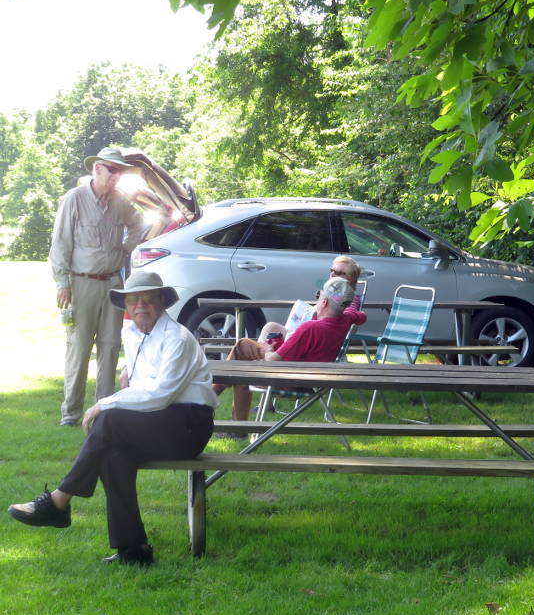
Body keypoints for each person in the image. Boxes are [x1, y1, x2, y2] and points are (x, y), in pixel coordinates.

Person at [8, 272, 217, 565]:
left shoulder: (177, 338)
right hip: (160, 421)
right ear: (127, 307)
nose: (141, 305)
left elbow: (160, 394)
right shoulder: (132, 334)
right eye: (134, 300)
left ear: (162, 302)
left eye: (148, 299)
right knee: (111, 452)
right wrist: (127, 377)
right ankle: (133, 550)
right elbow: (140, 385)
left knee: (108, 422)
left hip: (188, 426)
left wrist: (105, 403)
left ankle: (58, 500)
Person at [49, 147, 150, 427]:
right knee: (79, 348)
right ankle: (71, 414)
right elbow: (60, 242)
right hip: (81, 283)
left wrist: (126, 248)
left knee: (110, 345)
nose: (117, 176)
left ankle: (104, 409)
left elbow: (139, 223)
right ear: (97, 169)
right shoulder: (75, 199)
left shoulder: (119, 201)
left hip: (113, 283)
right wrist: (62, 282)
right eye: (112, 169)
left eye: (120, 171)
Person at [214, 274, 366, 421]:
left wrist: (268, 350)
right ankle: (214, 403)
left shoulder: (310, 328)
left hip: (291, 381)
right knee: (244, 351)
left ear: (324, 302)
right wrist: (349, 301)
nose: (317, 299)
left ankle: (208, 400)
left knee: (242, 356)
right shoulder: (345, 320)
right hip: (313, 380)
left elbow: (273, 361)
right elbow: (361, 315)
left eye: (318, 296)